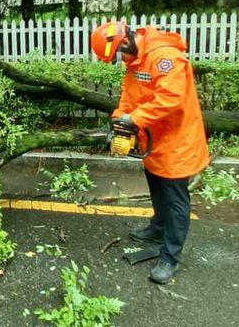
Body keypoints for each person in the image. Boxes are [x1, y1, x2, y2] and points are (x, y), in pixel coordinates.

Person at [90, 20, 209, 284]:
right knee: (155, 183)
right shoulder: (135, 63)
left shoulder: (164, 57)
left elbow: (171, 98)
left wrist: (137, 119)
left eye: (118, 54)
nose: (120, 60)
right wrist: (121, 120)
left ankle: (170, 257)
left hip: (177, 141)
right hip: (153, 138)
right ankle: (158, 227)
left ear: (123, 42)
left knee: (175, 199)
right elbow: (129, 97)